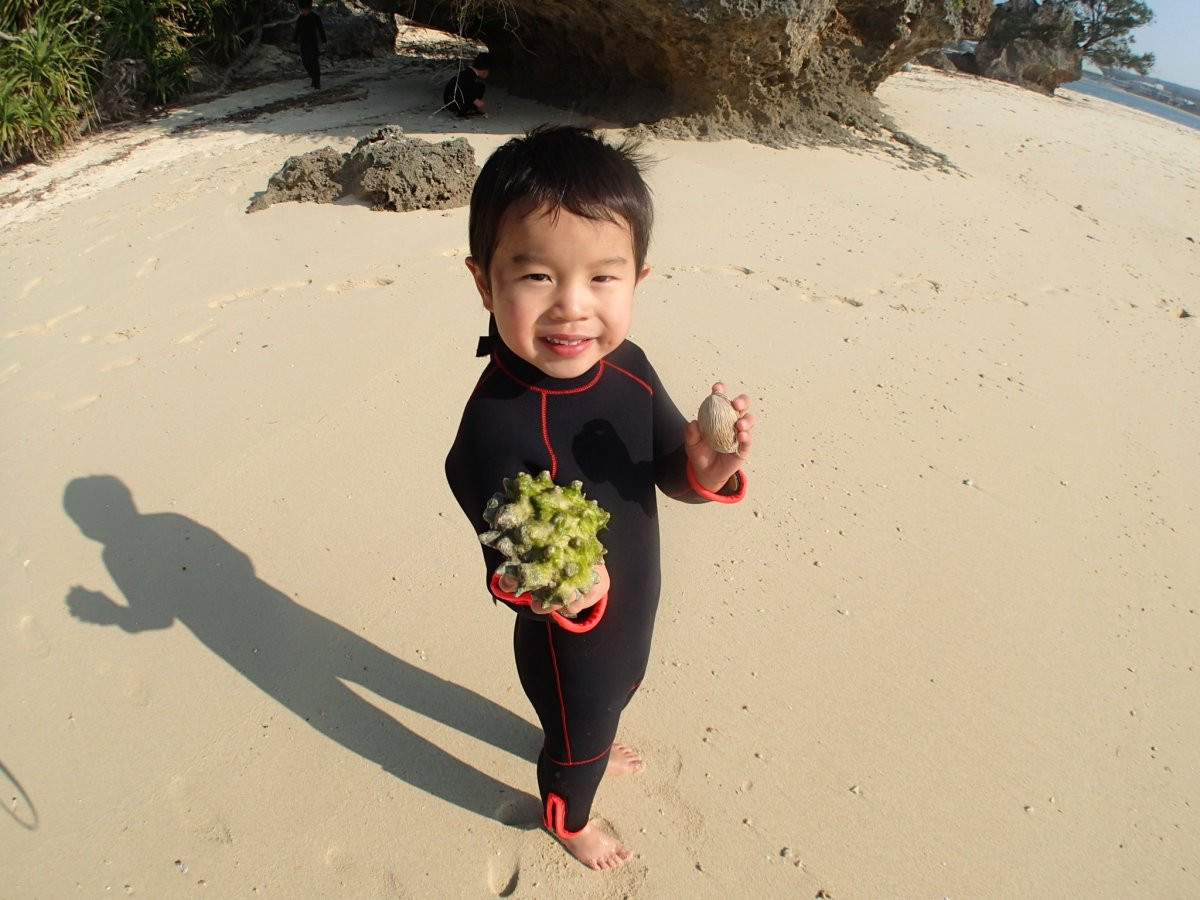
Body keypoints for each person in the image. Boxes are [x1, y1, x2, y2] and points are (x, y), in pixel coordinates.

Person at [444, 125, 755, 870]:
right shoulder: (495, 424)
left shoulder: (632, 368)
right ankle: (567, 813)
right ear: (485, 282)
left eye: (602, 278)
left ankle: (593, 739)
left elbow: (668, 473)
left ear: (638, 281)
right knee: (580, 727)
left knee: (624, 684)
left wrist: (706, 470)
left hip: (637, 603)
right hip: (567, 639)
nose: (572, 308)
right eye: (537, 277)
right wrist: (570, 595)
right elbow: (507, 570)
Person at [441, 52, 491, 117]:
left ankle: (470, 109)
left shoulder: (468, 72)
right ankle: (465, 110)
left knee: (480, 86)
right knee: (479, 87)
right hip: (453, 103)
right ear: (484, 71)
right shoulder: (468, 75)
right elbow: (464, 90)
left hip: (452, 100)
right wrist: (475, 101)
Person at [294, 0, 326, 89]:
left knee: (314, 62)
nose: (303, 11)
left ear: (309, 8)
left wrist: (324, 41)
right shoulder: (300, 18)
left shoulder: (315, 17)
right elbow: (297, 31)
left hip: (313, 43)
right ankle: (314, 78)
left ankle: (317, 82)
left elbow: (321, 29)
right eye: (302, 10)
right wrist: (293, 42)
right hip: (303, 43)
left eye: (304, 10)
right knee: (306, 63)